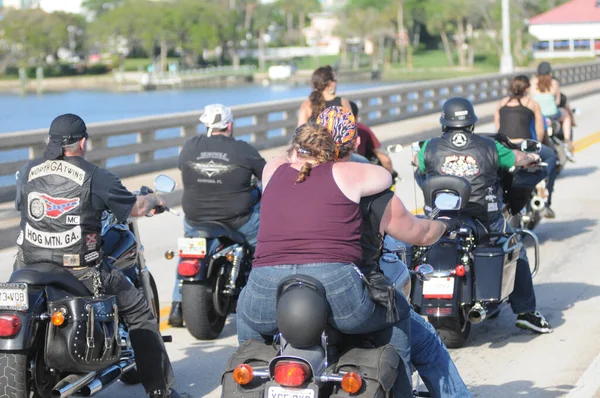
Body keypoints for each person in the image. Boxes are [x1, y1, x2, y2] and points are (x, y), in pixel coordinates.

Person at [236, 113, 414, 396]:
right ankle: (403, 392)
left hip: (269, 287)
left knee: (246, 315)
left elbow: (282, 160)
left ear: (295, 149)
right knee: (397, 312)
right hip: (337, 289)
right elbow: (383, 176)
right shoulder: (346, 173)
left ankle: (252, 369)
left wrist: (295, 154)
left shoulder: (273, 171)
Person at [14, 114, 178, 398]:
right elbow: (136, 207)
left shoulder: (28, 171)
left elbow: (22, 204)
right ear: (83, 142)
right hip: (81, 271)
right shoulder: (95, 176)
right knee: (140, 315)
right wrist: (154, 199)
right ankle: (160, 391)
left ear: (51, 142)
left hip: (28, 264)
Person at [318, 107, 471, 398]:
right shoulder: (369, 184)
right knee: (425, 341)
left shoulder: (300, 180)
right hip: (353, 292)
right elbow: (421, 234)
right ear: (354, 141)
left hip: (296, 291)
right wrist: (444, 224)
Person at [416, 97, 553, 334]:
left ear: (444, 123)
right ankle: (525, 311)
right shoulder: (490, 147)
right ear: (471, 123)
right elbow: (518, 159)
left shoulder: (430, 147)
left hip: (442, 219)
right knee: (516, 247)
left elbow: (417, 164)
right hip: (484, 218)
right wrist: (532, 157)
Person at [168, 104, 266, 327]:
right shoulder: (243, 149)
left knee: (191, 248)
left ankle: (177, 305)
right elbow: (266, 176)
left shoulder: (190, 146)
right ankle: (263, 296)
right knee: (263, 247)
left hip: (196, 218)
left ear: (206, 125)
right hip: (237, 220)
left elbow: (183, 166)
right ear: (229, 125)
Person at [495, 75, 557, 218]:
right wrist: (538, 144)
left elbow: (498, 128)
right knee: (551, 157)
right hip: (524, 145)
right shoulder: (531, 103)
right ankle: (547, 195)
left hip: (506, 145)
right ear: (527, 88)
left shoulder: (501, 103)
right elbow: (540, 130)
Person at [530, 62, 574, 153]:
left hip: (538, 115)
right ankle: (567, 141)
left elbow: (530, 100)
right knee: (566, 116)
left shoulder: (533, 82)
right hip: (552, 114)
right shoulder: (554, 83)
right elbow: (557, 101)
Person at [349, 100, 396, 174]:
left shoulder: (328, 131)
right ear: (356, 117)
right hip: (361, 172)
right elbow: (384, 159)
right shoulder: (363, 129)